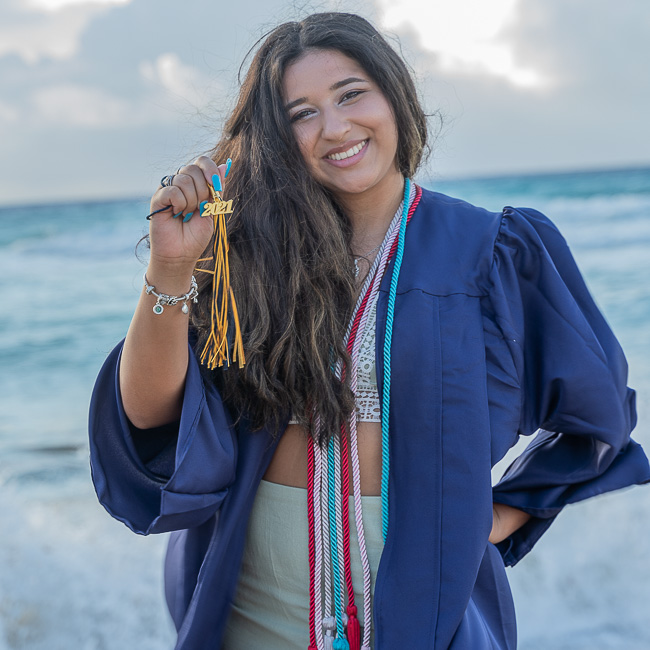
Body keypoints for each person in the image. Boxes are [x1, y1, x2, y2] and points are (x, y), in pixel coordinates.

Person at [88, 12, 650, 650]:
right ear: (278, 136)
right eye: (301, 112)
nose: (334, 127)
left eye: (351, 94)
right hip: (254, 599)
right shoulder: (246, 256)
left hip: (424, 600)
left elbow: (595, 412)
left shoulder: (488, 251)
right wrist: (171, 264)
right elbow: (151, 419)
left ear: (394, 95)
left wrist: (495, 517)